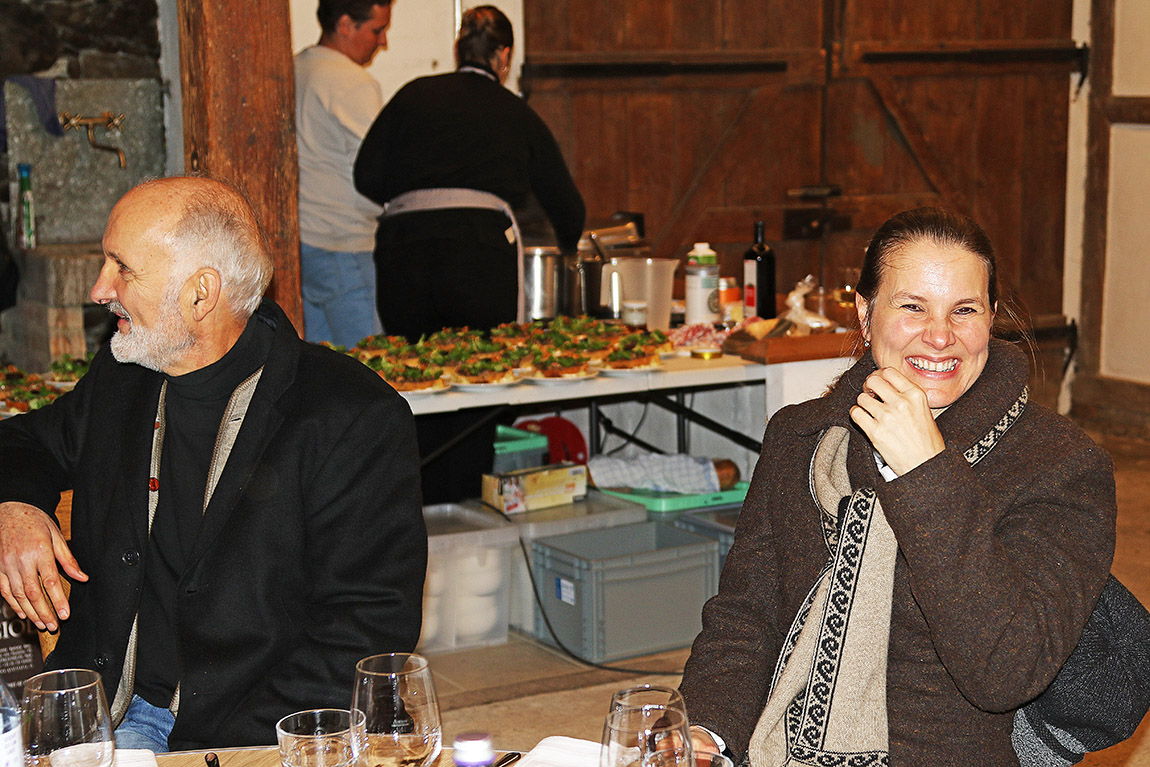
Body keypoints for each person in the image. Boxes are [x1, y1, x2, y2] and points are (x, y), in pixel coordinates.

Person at [0, 177, 426, 751]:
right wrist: (16, 506)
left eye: (122, 268)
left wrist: (216, 753)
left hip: (249, 731)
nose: (100, 289)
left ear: (201, 293)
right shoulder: (125, 377)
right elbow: (24, 441)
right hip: (105, 706)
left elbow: (365, 631)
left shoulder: (349, 418)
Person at [678, 207, 1116, 766]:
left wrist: (926, 475)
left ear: (992, 317)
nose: (940, 336)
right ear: (865, 313)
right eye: (912, 307)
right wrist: (704, 733)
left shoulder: (1061, 465)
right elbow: (747, 613)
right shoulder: (801, 437)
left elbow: (1008, 670)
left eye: (965, 310)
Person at [353, 4, 585, 339]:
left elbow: (366, 176)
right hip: (478, 255)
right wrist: (568, 246)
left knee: (410, 369)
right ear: (503, 56)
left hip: (403, 253)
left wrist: (417, 203)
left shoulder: (412, 94)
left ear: (457, 51)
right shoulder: (516, 113)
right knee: (481, 368)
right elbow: (567, 207)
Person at [295, 0, 393, 347]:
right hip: (345, 242)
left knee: (323, 371)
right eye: (377, 30)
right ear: (346, 24)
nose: (383, 42)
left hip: (304, 242)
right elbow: (383, 165)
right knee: (373, 369)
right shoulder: (352, 83)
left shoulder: (297, 68)